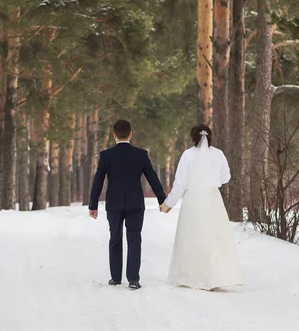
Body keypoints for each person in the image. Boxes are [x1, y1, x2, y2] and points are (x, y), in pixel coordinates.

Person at [159, 124, 242, 290]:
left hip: (193, 198)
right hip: (212, 198)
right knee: (215, 236)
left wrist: (169, 203)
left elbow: (180, 183)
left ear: (193, 138)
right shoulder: (218, 154)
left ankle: (191, 276)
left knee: (192, 235)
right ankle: (216, 276)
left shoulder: (188, 155)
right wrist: (213, 180)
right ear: (209, 137)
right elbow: (226, 177)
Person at [89, 120, 166, 290]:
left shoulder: (106, 155)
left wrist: (92, 205)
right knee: (134, 238)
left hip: (114, 204)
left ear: (114, 135)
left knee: (115, 238)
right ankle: (133, 279)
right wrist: (162, 200)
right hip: (135, 203)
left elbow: (98, 181)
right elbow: (152, 177)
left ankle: (115, 278)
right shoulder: (141, 154)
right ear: (130, 133)